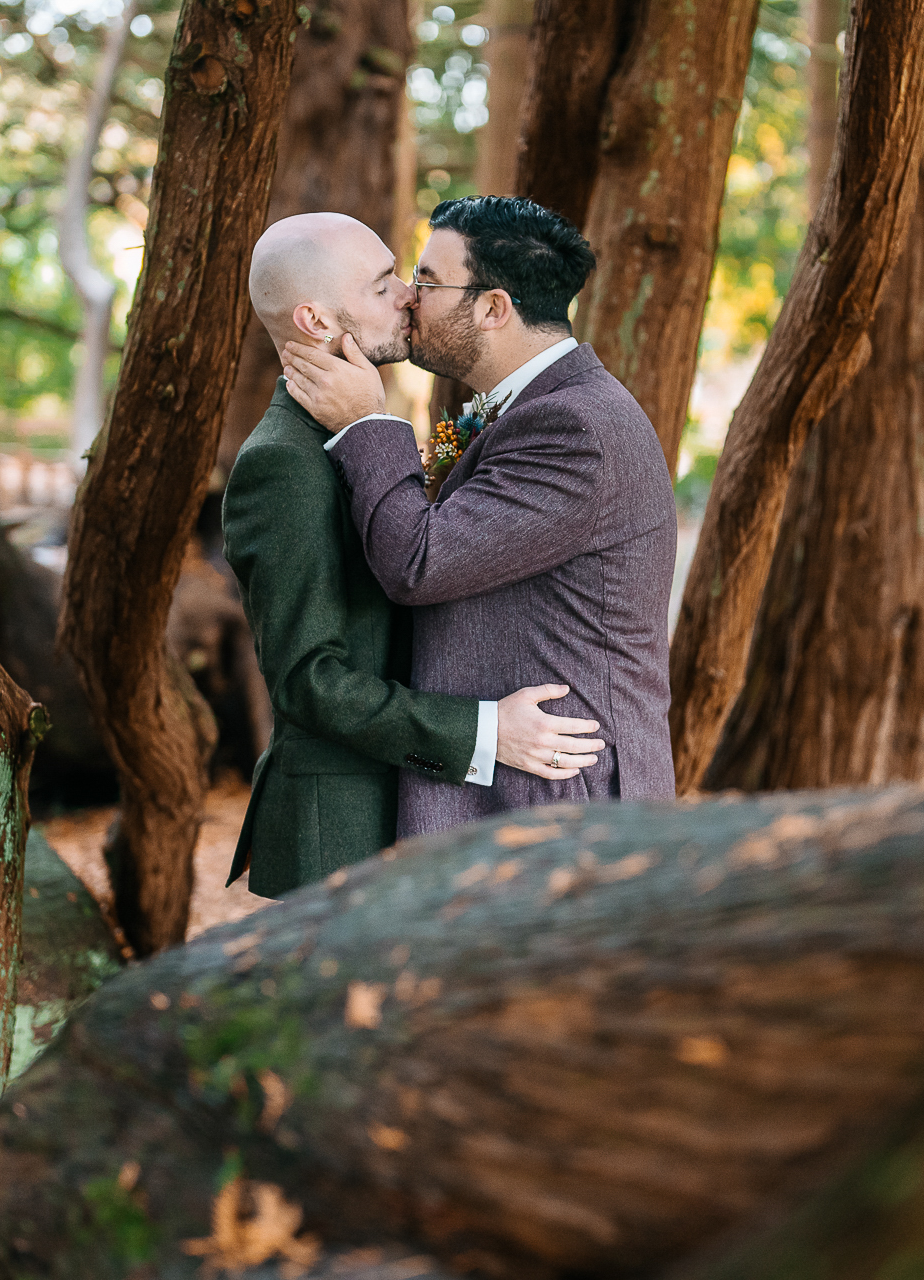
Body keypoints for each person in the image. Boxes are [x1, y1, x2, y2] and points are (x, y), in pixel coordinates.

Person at [222, 212, 605, 897]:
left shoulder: (349, 435)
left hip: (399, 809)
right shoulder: (283, 464)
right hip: (336, 831)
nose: (407, 294)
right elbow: (310, 680)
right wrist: (484, 731)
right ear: (315, 321)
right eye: (381, 286)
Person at [281, 196, 677, 838]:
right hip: (518, 794)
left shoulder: (574, 428)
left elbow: (420, 562)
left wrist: (365, 422)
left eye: (429, 281)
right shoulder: (522, 410)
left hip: (561, 809)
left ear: (494, 308)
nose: (409, 297)